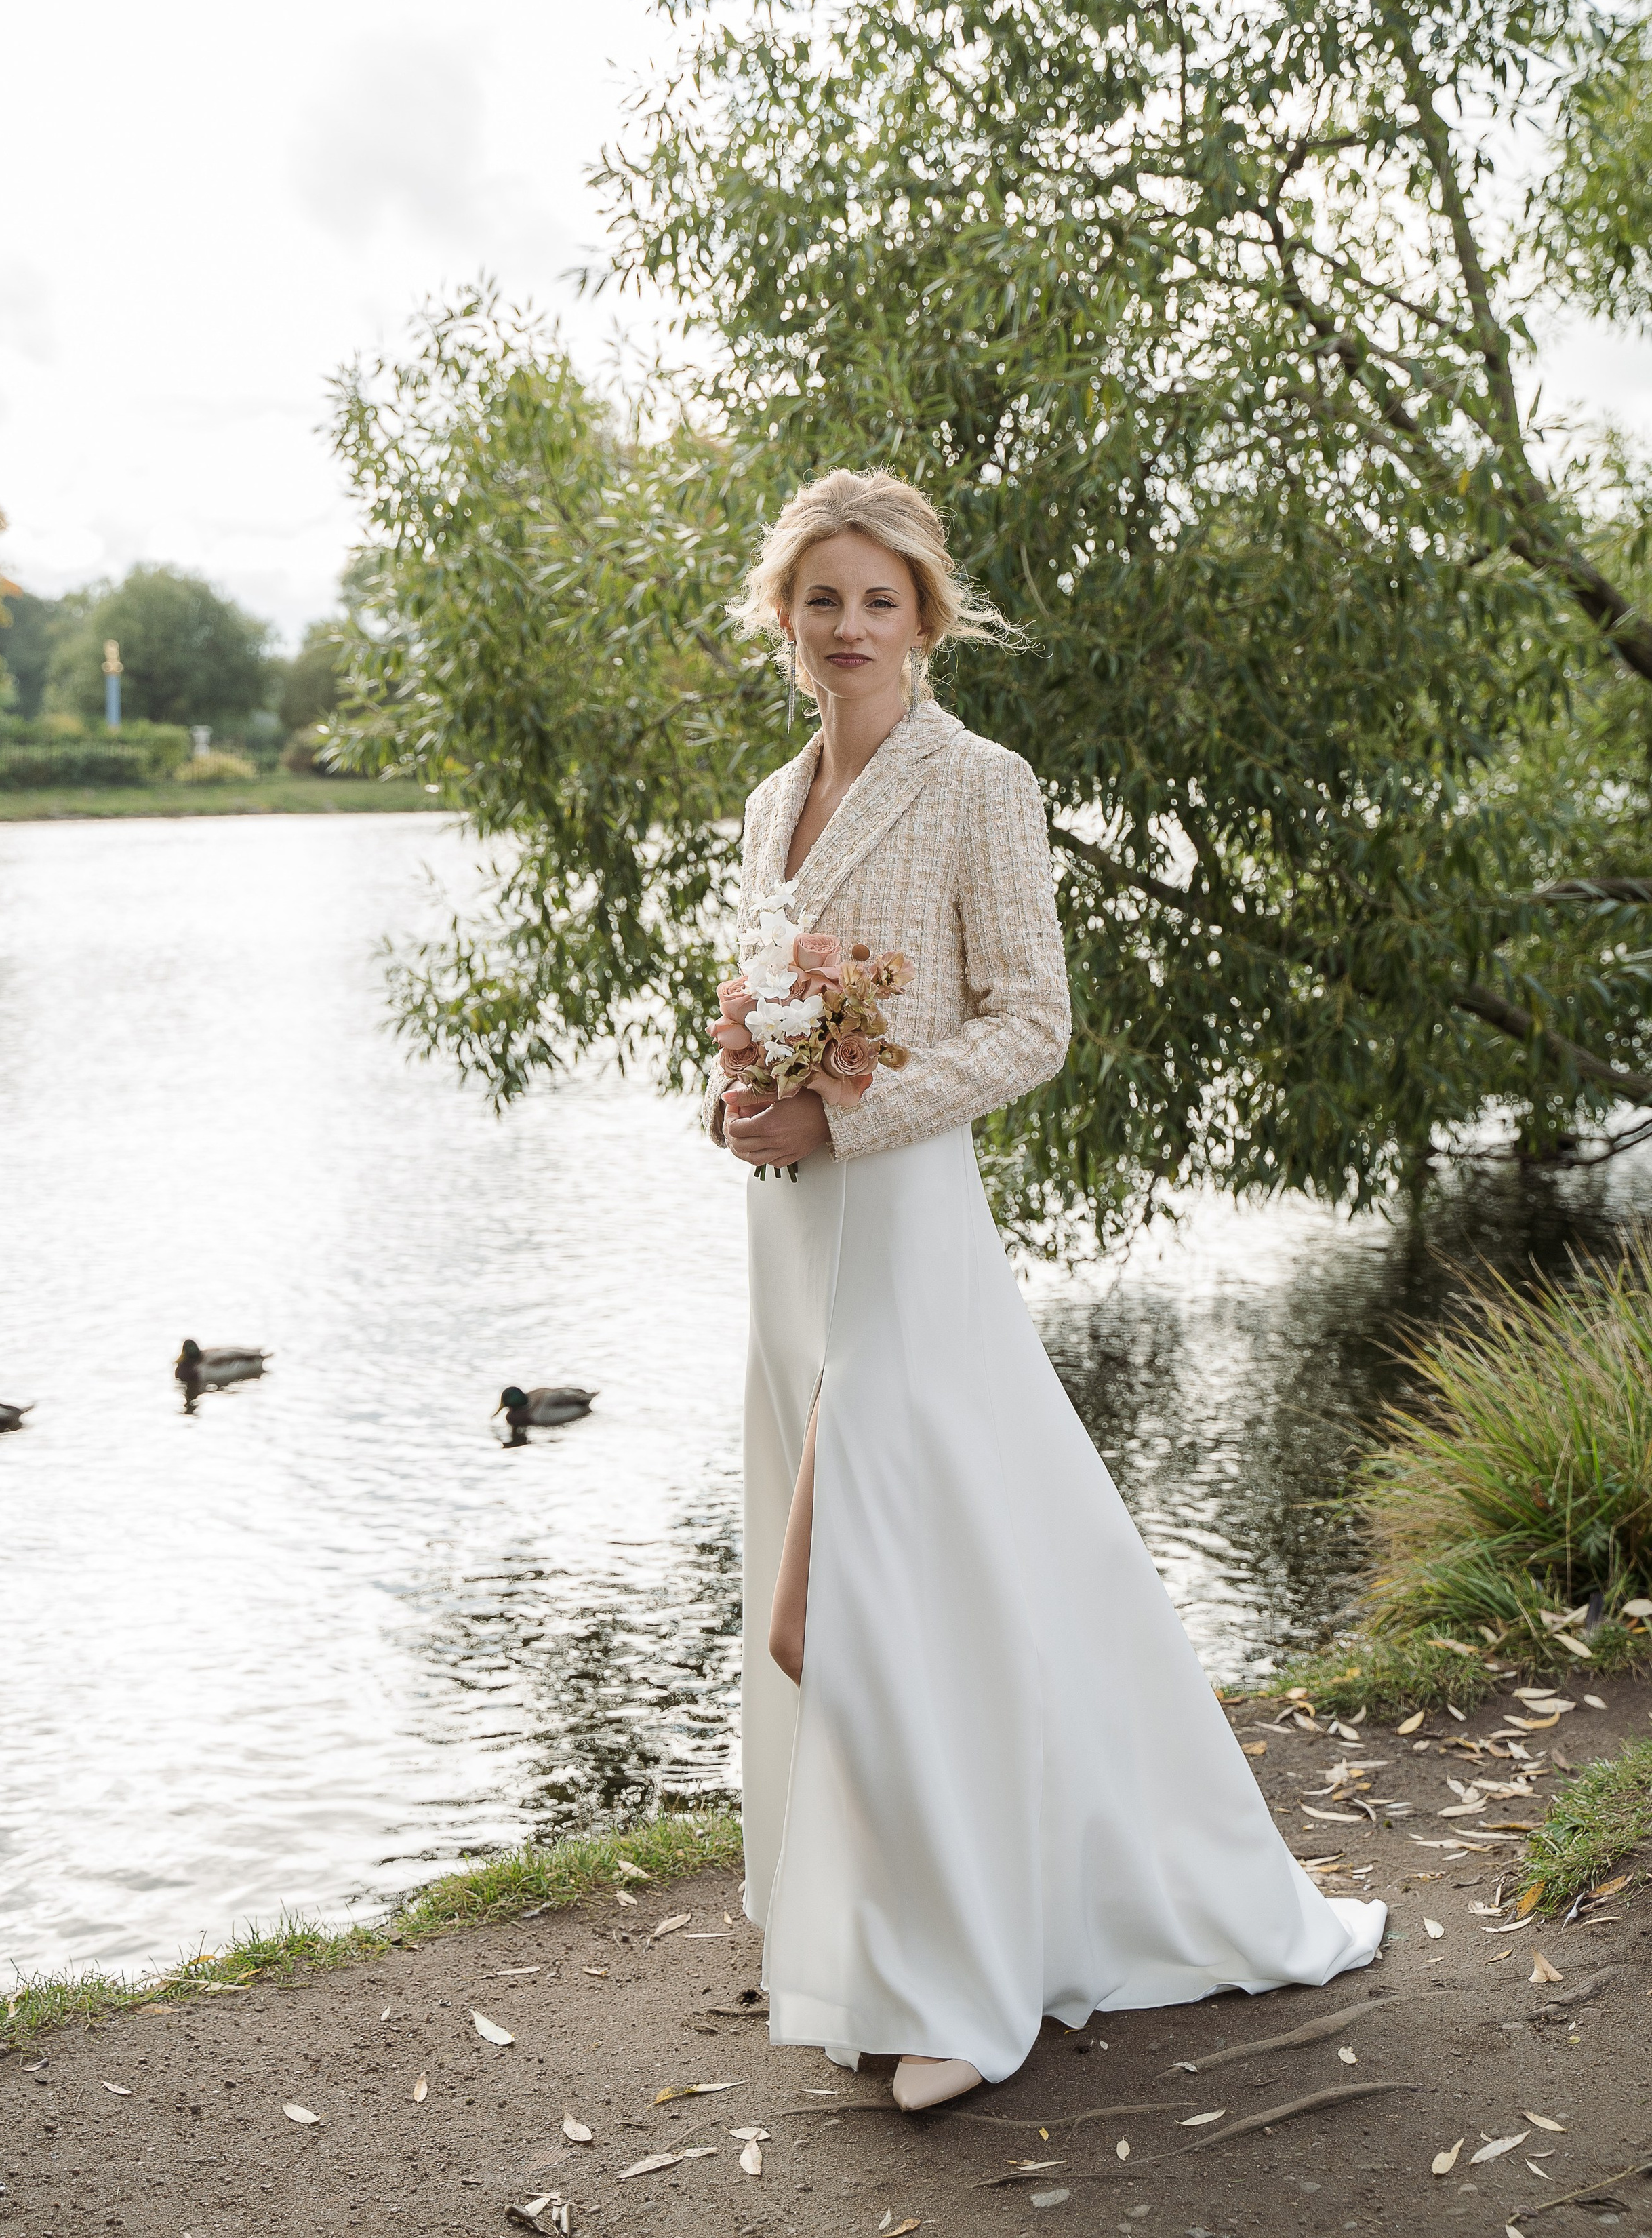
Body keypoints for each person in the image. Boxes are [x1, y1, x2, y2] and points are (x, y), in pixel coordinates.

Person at [708, 469, 1385, 2113]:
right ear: (782, 622)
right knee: (894, 1586)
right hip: (794, 1234)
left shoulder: (978, 784)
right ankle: (882, 1944)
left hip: (908, 1228)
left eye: (879, 599)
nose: (848, 627)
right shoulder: (765, 801)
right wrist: (732, 1099)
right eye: (822, 600)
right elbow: (753, 1000)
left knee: (851, 1606)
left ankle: (966, 1984)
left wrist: (845, 1110)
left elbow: (1028, 1024)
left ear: (925, 618)